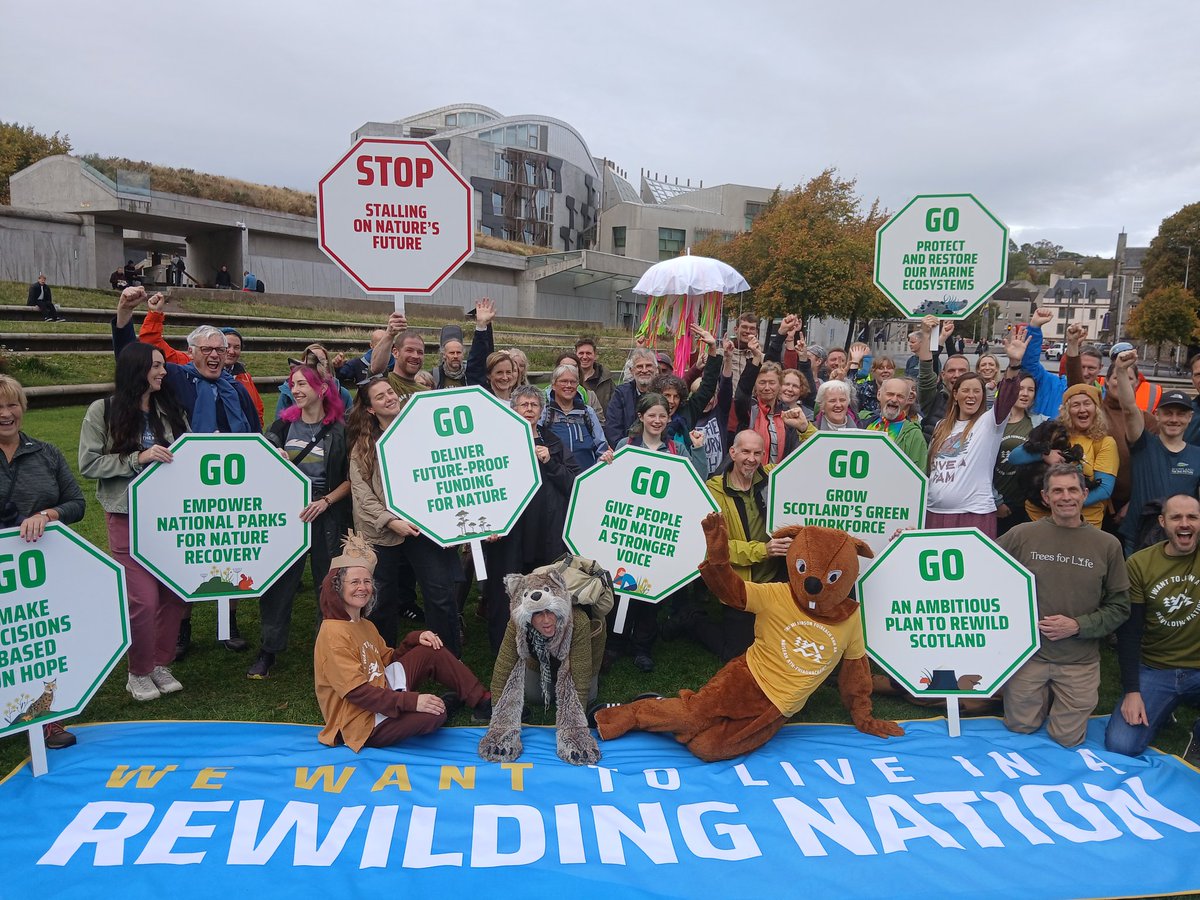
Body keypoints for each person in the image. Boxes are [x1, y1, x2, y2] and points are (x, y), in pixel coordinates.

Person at [79, 342, 189, 703]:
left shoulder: (168, 409)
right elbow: (88, 463)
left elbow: (187, 454)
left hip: (169, 518)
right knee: (143, 600)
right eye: (156, 366)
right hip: (126, 517)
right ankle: (138, 671)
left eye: (162, 365)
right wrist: (136, 459)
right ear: (136, 369)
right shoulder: (103, 411)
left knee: (174, 594)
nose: (163, 372)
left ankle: (160, 663)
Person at [314, 534, 491, 752]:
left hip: (382, 690)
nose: (363, 587)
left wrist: (415, 638)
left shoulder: (364, 624)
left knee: (430, 650)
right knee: (434, 715)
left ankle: (483, 701)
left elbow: (387, 660)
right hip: (360, 721)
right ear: (337, 587)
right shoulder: (333, 634)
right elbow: (358, 693)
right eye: (354, 582)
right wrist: (412, 702)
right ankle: (438, 705)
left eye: (367, 581)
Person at [998, 465, 1129, 747]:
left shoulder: (1107, 545)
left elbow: (1120, 607)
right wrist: (913, 540)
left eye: (1072, 490)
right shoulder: (1022, 535)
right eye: (1057, 491)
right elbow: (975, 559)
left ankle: (1055, 703)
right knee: (1020, 726)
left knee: (1066, 739)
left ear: (1085, 494)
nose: (1065, 497)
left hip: (1078, 661)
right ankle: (1034, 700)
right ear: (1046, 497)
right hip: (1029, 656)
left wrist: (1078, 626)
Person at [346, 376, 468, 659]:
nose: (389, 398)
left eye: (390, 392)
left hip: (425, 527)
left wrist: (449, 522)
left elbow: (449, 472)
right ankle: (383, 661)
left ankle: (449, 660)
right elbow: (362, 494)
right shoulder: (364, 447)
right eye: (380, 396)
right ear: (370, 409)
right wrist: (390, 521)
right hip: (382, 532)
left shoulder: (423, 433)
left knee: (440, 594)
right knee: (380, 599)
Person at [0, 375, 86, 749]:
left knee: (38, 640)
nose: (5, 414)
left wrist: (48, 514)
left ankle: (48, 720)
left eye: (12, 405)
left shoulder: (46, 453)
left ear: (23, 408)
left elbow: (77, 503)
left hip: (44, 567)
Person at [249, 365, 351, 679]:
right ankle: (269, 648)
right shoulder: (283, 425)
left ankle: (328, 651)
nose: (295, 390)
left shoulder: (340, 431)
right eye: (293, 384)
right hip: (287, 515)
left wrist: (325, 501)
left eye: (303, 384)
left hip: (326, 514)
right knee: (279, 583)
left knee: (328, 583)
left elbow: (352, 479)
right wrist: (274, 453)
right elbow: (260, 457)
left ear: (322, 389)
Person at [670, 429, 793, 662]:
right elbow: (712, 545)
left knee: (782, 642)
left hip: (774, 579)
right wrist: (762, 551)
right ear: (732, 453)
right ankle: (691, 619)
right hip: (738, 583)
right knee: (735, 654)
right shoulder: (713, 490)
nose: (751, 459)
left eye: (757, 453)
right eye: (745, 452)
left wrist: (804, 429)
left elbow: (811, 461)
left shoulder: (773, 476)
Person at [609, 392, 708, 673]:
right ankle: (615, 644)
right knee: (621, 588)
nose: (657, 420)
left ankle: (643, 647)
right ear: (641, 417)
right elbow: (611, 482)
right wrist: (606, 462)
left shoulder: (677, 449)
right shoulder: (626, 445)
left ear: (668, 419)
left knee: (651, 591)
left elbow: (698, 480)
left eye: (662, 416)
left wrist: (698, 450)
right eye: (651, 415)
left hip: (659, 529)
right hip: (629, 527)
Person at [479, 386, 579, 652]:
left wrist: (550, 462)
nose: (529, 410)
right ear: (513, 409)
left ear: (542, 410)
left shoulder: (553, 442)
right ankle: (504, 649)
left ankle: (545, 647)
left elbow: (574, 483)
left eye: (534, 405)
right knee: (506, 592)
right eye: (523, 405)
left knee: (544, 590)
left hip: (546, 532)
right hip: (509, 533)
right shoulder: (496, 441)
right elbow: (481, 484)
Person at [1105, 493, 1200, 763]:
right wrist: (1132, 692)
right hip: (1155, 668)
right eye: (1176, 517)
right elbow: (1130, 633)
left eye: (1192, 517)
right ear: (1162, 522)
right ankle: (1162, 707)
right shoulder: (1139, 564)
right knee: (1121, 745)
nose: (1185, 523)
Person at [923, 324, 1024, 537]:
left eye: (977, 391)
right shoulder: (941, 426)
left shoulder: (990, 422)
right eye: (966, 391)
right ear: (955, 395)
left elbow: (1007, 396)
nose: (971, 396)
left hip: (974, 513)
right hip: (934, 512)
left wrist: (1014, 364)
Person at [1111, 351, 1200, 554]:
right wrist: (1121, 371)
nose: (1174, 419)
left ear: (1190, 417)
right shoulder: (1142, 444)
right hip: (1139, 539)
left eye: (1181, 414)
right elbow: (1129, 409)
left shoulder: (1197, 456)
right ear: (1156, 415)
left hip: (1181, 540)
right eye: (1168, 413)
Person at [1009, 382, 1118, 529]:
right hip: (1037, 519)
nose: (1082, 409)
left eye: (1087, 403)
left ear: (1096, 410)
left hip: (1082, 524)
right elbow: (1014, 457)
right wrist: (1044, 456)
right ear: (1067, 410)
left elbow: (1104, 489)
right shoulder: (1054, 430)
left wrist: (1061, 505)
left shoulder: (1105, 443)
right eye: (1076, 405)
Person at [993, 374, 1045, 536]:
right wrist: (996, 501)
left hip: (1026, 504)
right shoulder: (993, 422)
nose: (1025, 394)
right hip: (996, 501)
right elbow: (981, 466)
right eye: (1020, 388)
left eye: (1031, 390)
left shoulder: (1040, 423)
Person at [540, 363, 613, 471]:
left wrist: (603, 458)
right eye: (564, 381)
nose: (569, 385)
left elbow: (601, 447)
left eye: (573, 382)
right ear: (553, 385)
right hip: (554, 476)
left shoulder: (588, 412)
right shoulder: (544, 412)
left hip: (585, 476)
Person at [861, 376, 928, 470]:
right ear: (879, 395)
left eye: (900, 396)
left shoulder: (914, 434)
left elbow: (918, 474)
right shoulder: (862, 419)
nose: (894, 399)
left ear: (906, 400)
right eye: (890, 394)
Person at [917, 319, 968, 440]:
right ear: (942, 375)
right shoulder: (933, 398)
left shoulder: (977, 401)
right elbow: (926, 373)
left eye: (962, 371)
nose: (956, 375)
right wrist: (928, 335)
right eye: (951, 371)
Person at [276, 343, 352, 417]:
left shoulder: (342, 393)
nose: (316, 364)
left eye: (321, 360)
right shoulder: (287, 394)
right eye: (311, 359)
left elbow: (351, 422)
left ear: (327, 364)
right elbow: (279, 421)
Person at [605, 347, 658, 447]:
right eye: (639, 366)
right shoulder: (620, 394)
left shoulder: (663, 393)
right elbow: (613, 428)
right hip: (626, 450)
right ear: (632, 370)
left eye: (648, 366)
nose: (644, 370)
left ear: (656, 369)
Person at [576, 335, 614, 420]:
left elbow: (615, 409)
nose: (584, 357)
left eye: (588, 353)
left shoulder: (607, 381)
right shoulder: (569, 381)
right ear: (575, 355)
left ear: (595, 355)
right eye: (581, 353)